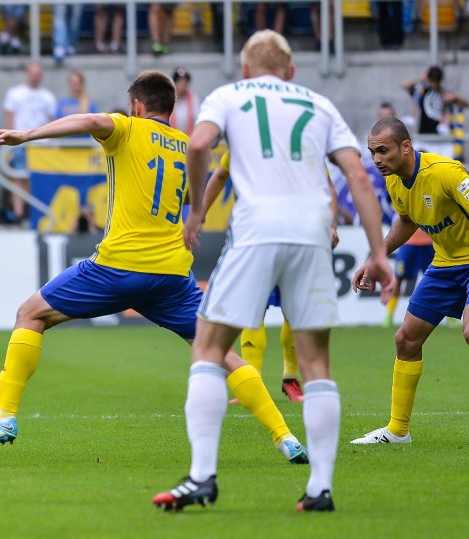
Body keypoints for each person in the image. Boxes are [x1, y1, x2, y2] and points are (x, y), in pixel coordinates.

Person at [0, 70, 310, 469]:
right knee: (222, 353)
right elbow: (199, 193)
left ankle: (3, 417)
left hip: (117, 268)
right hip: (172, 277)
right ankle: (286, 438)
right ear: (172, 110)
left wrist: (26, 135)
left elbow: (93, 121)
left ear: (136, 106)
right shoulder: (187, 146)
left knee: (30, 314)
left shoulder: (126, 129)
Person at [153, 30, 393, 513]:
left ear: (244, 69)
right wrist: (378, 251)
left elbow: (199, 147)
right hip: (310, 234)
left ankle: (202, 476)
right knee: (316, 365)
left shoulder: (228, 96)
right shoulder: (318, 105)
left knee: (207, 347)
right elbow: (358, 175)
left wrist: (196, 211)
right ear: (291, 71)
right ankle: (320, 489)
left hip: (256, 230)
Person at [351, 117, 469, 444]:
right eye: (372, 152)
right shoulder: (394, 181)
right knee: (406, 340)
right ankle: (398, 431)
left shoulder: (446, 172)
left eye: (383, 151)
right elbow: (406, 221)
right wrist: (377, 256)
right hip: (445, 264)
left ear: (406, 146)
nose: (376, 159)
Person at [201, 150, 342, 404]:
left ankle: (290, 379)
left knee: (293, 311)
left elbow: (328, 187)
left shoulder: (304, 146)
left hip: (296, 239)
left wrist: (331, 225)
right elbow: (221, 174)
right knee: (251, 310)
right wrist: (199, 214)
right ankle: (250, 380)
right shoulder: (245, 140)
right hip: (254, 239)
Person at [0, 62, 57, 224]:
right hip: (21, 143)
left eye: (38, 73)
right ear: (27, 73)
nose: (35, 76)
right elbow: (9, 118)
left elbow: (52, 121)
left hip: (41, 144)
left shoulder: (48, 97)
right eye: (33, 73)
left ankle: (35, 214)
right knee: (18, 178)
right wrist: (9, 140)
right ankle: (19, 214)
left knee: (38, 180)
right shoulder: (15, 94)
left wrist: (51, 143)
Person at [382, 229, 434, 327]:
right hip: (408, 242)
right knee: (398, 278)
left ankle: (451, 318)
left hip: (429, 241)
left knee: (438, 279)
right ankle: (389, 315)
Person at [400, 66, 469, 136]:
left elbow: (466, 104)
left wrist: (455, 97)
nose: (434, 84)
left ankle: (443, 125)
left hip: (442, 138)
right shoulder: (423, 91)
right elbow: (403, 85)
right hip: (424, 135)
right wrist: (421, 78)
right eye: (432, 81)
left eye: (436, 81)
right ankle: (412, 116)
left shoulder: (446, 92)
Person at [171, 67, 200, 136]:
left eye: (185, 83)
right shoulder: (166, 99)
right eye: (179, 82)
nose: (183, 86)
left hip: (187, 140)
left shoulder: (193, 98)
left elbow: (197, 119)